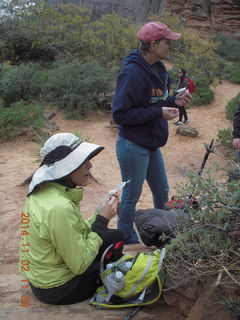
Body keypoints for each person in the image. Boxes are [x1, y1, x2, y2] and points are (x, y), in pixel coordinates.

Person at [19, 133, 123, 305]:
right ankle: (111, 288)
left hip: (43, 276)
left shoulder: (48, 192)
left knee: (115, 236)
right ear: (66, 166)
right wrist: (102, 221)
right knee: (114, 267)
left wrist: (100, 213)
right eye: (83, 161)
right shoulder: (59, 206)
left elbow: (75, 231)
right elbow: (80, 264)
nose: (90, 166)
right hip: (57, 289)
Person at [112, 21, 192, 244]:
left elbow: (155, 101)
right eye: (167, 42)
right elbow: (120, 115)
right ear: (153, 43)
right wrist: (158, 112)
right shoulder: (131, 73)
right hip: (132, 145)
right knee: (131, 197)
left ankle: (164, 230)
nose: (170, 46)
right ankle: (126, 240)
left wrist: (173, 101)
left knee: (162, 191)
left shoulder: (159, 70)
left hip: (151, 143)